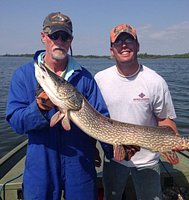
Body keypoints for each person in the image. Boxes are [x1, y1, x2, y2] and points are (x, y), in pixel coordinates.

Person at [6, 12, 109, 200]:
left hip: (80, 164)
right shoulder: (24, 75)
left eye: (65, 36)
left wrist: (118, 148)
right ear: (43, 37)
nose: (59, 41)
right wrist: (39, 109)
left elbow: (102, 119)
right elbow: (16, 122)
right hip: (41, 164)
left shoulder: (85, 77)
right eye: (54, 35)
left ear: (71, 40)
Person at [95, 24, 179, 200]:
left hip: (148, 161)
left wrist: (173, 141)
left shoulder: (155, 81)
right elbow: (95, 119)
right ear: (112, 50)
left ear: (137, 45)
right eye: (118, 42)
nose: (124, 45)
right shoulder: (100, 79)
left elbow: (165, 120)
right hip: (113, 159)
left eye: (128, 40)